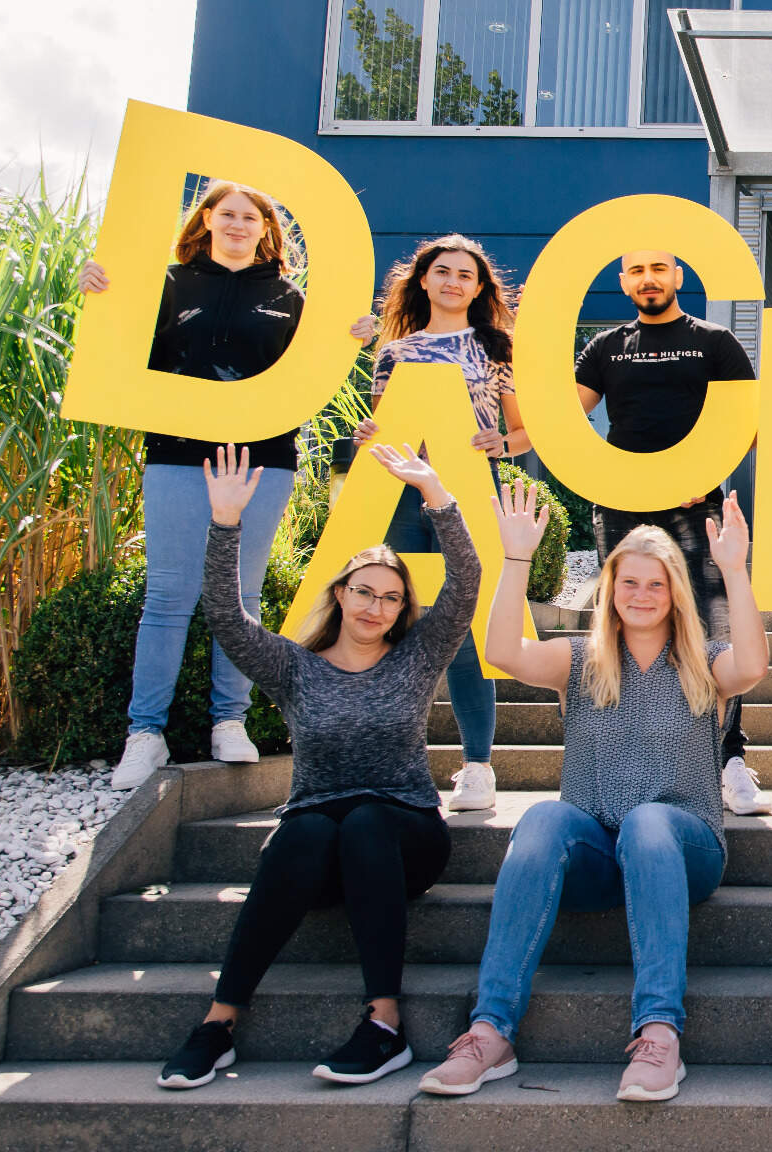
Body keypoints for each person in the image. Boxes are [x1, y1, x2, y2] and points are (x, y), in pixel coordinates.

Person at [418, 483, 768, 1102]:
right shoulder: (580, 660)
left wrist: (734, 571)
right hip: (598, 856)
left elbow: (754, 666)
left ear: (675, 594)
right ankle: (489, 1029)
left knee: (648, 823)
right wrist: (517, 559)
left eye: (655, 583)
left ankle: (659, 1032)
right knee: (545, 818)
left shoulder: (705, 663)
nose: (641, 595)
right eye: (629, 582)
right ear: (610, 588)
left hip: (683, 852)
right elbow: (501, 651)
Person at [153, 442, 472, 1091]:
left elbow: (465, 584)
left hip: (403, 837)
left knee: (364, 822)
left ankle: (384, 1024)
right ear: (341, 593)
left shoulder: (415, 659)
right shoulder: (296, 668)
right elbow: (225, 616)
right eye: (363, 592)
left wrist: (436, 496)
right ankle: (218, 1024)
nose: (374, 607)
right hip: (318, 852)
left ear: (401, 611)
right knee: (307, 829)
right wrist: (225, 522)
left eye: (389, 598)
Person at [82, 180, 375, 789]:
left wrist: (351, 334)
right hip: (176, 455)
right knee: (167, 596)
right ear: (207, 220)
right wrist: (98, 293)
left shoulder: (290, 298)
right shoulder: (165, 283)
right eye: (229, 214)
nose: (239, 224)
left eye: (252, 216)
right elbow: (118, 347)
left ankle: (229, 722)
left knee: (238, 596)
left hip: (261, 459)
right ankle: (145, 734)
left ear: (266, 229)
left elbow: (315, 374)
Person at [575, 248, 763, 815]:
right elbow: (562, 418)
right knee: (618, 629)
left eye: (660, 269)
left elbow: (749, 427)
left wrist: (704, 470)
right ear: (623, 280)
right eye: (637, 270)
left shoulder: (715, 340)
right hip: (621, 507)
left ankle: (727, 761)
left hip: (695, 505)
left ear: (679, 276)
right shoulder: (605, 347)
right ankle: (622, 758)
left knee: (714, 632)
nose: (649, 279)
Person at [353, 235, 527, 813]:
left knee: (467, 630)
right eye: (443, 271)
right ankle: (387, 759)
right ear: (423, 279)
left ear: (479, 288)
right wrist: (364, 439)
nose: (453, 282)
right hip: (399, 499)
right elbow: (383, 428)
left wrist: (501, 443)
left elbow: (527, 432)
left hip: (469, 491)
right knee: (389, 621)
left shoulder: (498, 348)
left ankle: (477, 766)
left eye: (466, 275)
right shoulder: (395, 352)